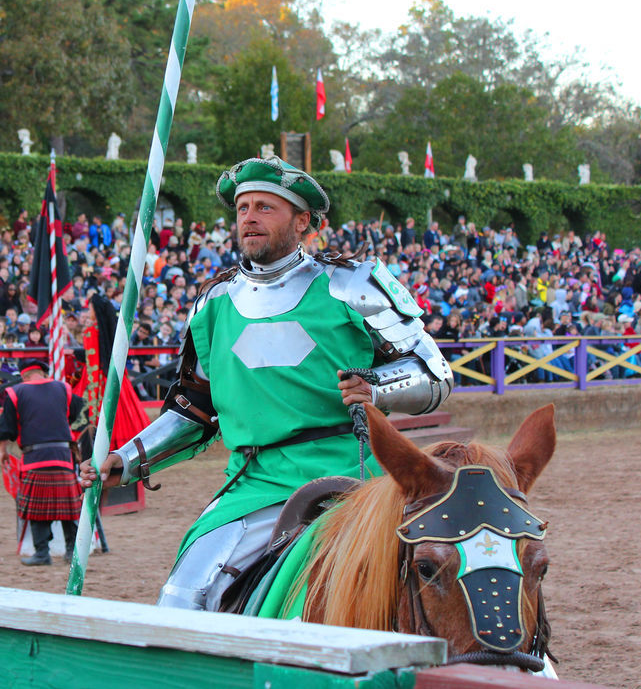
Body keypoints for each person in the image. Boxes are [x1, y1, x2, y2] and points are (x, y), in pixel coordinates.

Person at [83, 156, 453, 611]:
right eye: (243, 208)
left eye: (265, 207)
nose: (249, 217)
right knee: (183, 599)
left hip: (354, 472)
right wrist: (129, 458)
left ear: (302, 221)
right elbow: (194, 412)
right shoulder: (213, 304)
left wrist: (377, 389)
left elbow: (435, 373)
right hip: (255, 482)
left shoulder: (353, 285)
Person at [0, 358, 85, 566]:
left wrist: (3, 452)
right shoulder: (64, 388)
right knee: (69, 508)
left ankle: (42, 554)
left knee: (36, 509)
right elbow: (80, 410)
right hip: (63, 456)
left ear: (24, 376)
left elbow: (5, 428)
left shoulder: (16, 393)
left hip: (34, 459)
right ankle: (72, 552)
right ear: (43, 374)